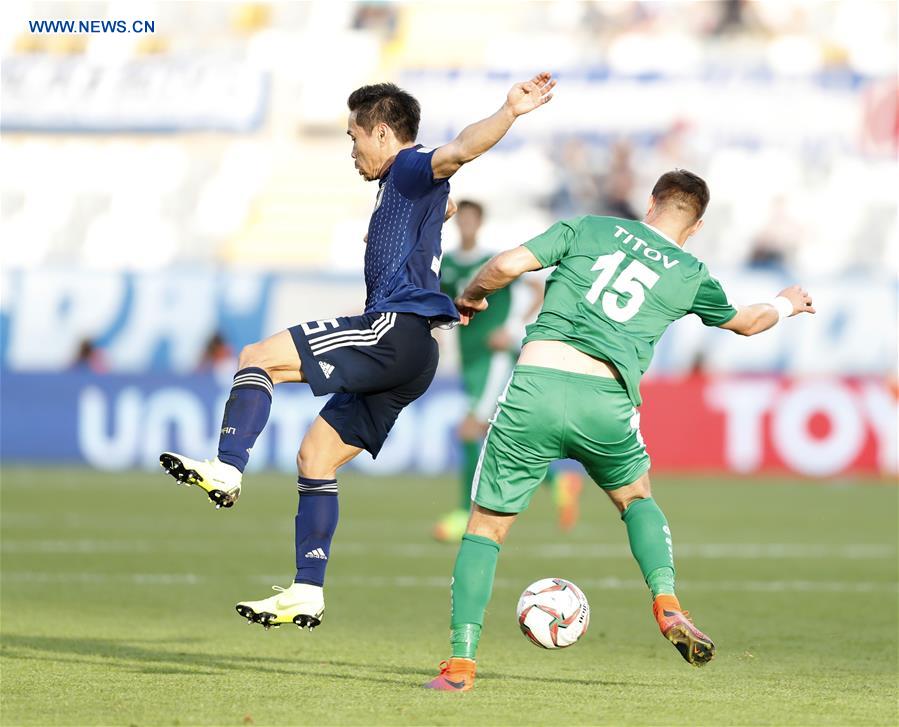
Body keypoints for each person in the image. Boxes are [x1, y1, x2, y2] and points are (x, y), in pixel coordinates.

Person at [158, 73, 557, 630]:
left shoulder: (414, 167)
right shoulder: (406, 193)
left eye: (354, 136)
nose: (352, 149)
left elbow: (463, 148)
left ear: (385, 134)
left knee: (256, 356)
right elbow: (423, 247)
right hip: (415, 351)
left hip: (391, 331)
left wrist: (509, 110)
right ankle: (306, 590)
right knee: (316, 459)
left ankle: (227, 467)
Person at [424, 169, 815, 691]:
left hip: (536, 387)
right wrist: (787, 301)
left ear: (650, 202)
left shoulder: (589, 228)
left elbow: (506, 265)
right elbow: (746, 322)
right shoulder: (690, 271)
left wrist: (472, 295)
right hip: (606, 402)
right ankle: (667, 601)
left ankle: (460, 666)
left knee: (486, 529)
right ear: (695, 226)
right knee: (637, 500)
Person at [434, 199, 583, 542]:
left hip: (494, 358)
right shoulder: (450, 263)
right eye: (463, 219)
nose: (467, 224)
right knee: (488, 435)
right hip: (470, 358)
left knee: (469, 431)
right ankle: (559, 483)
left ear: (480, 222)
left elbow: (536, 288)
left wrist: (514, 329)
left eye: (473, 219)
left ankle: (462, 514)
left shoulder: (493, 263)